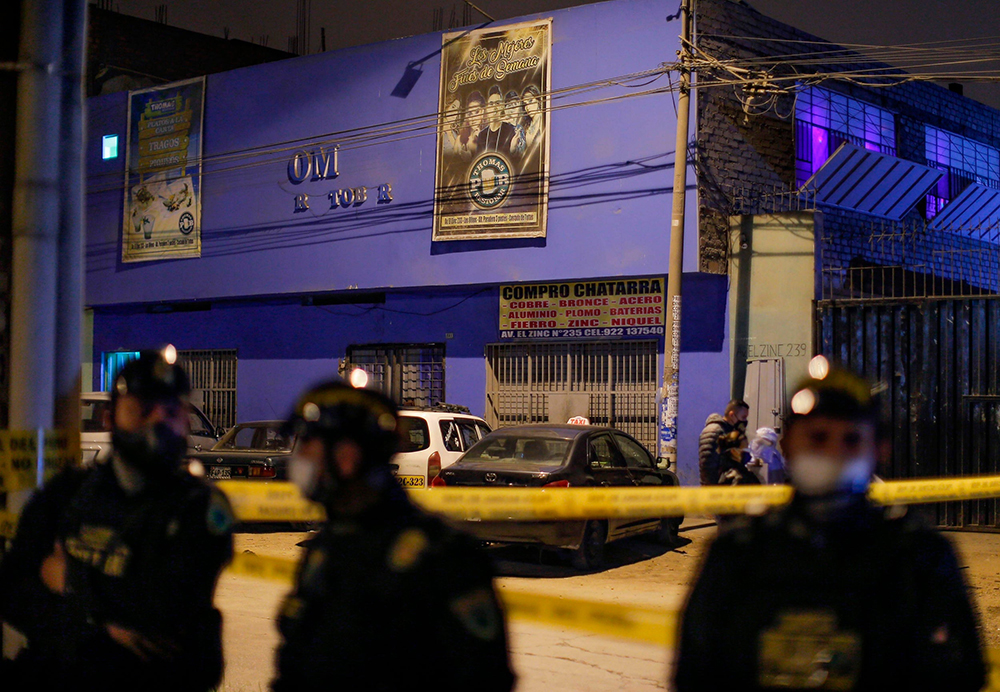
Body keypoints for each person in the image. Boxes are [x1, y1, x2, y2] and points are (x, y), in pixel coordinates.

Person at [673, 356, 986, 691]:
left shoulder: (918, 555)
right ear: (787, 446)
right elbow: (696, 673)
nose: (833, 453)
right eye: (818, 438)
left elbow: (960, 674)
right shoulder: (739, 551)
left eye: (851, 439)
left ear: (879, 449)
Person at [0, 349, 234, 692]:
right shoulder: (67, 494)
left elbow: (165, 619)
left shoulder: (200, 507)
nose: (157, 422)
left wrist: (69, 579)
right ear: (110, 419)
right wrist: (97, 628)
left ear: (185, 422)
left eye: (170, 411)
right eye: (142, 409)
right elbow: (11, 589)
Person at [272, 379, 515, 692]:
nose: (299, 458)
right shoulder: (326, 546)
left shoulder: (441, 556)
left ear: (346, 458)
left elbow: (485, 677)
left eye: (307, 446)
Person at [698, 398, 750, 485]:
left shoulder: (729, 430)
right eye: (743, 417)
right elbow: (707, 466)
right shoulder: (714, 432)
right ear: (732, 415)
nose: (744, 421)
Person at [475, 85, 518, 155]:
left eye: (497, 103)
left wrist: (512, 150)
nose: (494, 107)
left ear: (502, 107)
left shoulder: (510, 130)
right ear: (487, 108)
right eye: (491, 104)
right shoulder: (482, 135)